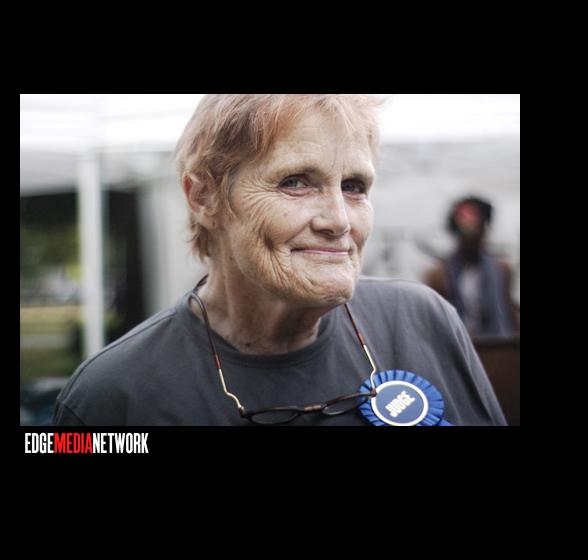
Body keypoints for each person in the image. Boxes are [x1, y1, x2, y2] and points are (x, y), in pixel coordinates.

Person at [53, 95, 507, 426]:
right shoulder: (113, 394)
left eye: (354, 187)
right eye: (295, 182)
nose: (338, 220)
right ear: (204, 197)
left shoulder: (424, 321)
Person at [424, 196, 519, 338]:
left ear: (485, 229)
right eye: (466, 233)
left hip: (496, 343)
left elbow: (508, 309)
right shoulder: (438, 274)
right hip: (457, 343)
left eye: (477, 230)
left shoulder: (502, 269)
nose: (472, 239)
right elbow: (434, 318)